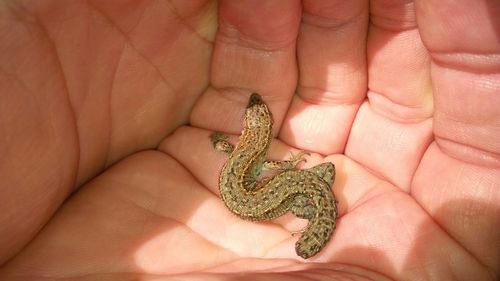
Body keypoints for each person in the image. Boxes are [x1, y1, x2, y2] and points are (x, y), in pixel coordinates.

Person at [0, 1, 498, 280]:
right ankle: (317, 199)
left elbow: (248, 158)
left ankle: (317, 202)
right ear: (255, 134)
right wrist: (296, 171)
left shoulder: (245, 156)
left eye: (254, 117)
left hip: (266, 198)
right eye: (258, 117)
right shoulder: (252, 161)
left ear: (249, 134)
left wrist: (291, 172)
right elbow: (262, 165)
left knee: (316, 182)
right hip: (265, 200)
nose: (256, 119)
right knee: (317, 179)